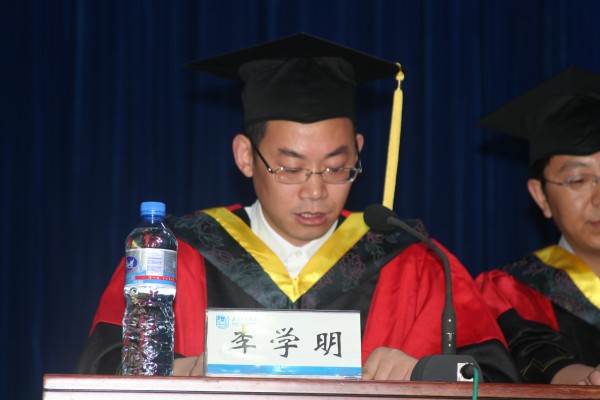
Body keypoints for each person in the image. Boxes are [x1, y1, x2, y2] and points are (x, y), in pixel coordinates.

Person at [76, 33, 519, 382]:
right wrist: (180, 371)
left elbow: (492, 377)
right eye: (290, 168)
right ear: (245, 156)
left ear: (359, 150)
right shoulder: (175, 256)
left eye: (337, 168)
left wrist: (423, 373)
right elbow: (102, 368)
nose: (315, 191)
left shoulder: (415, 263)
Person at [476, 66, 600, 385]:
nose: (598, 197)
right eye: (579, 180)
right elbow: (535, 355)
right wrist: (589, 381)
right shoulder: (516, 289)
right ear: (540, 195)